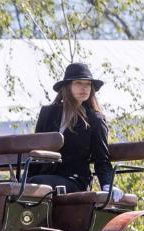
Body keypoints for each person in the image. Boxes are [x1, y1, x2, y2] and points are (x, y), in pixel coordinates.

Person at [31, 63, 121, 200]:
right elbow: (37, 148)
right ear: (67, 86)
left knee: (36, 182)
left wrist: (108, 184)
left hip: (75, 180)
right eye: (78, 83)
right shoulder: (48, 113)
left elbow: (101, 159)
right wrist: (23, 180)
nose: (84, 88)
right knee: (23, 184)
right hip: (45, 175)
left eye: (88, 84)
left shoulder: (95, 119)